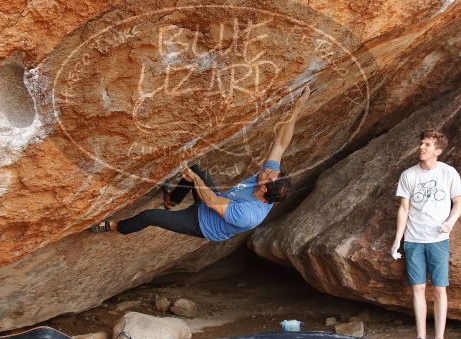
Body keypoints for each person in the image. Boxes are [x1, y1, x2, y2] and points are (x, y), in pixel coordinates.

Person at [90, 85, 311, 241]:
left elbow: (211, 201)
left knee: (150, 217)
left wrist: (196, 181)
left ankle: (115, 226)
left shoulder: (249, 215)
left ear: (264, 189)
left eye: (266, 175)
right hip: (216, 202)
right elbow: (281, 143)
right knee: (194, 170)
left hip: (203, 224)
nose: (265, 170)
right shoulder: (272, 180)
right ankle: (170, 201)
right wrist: (298, 106)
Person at [391, 130, 461, 339]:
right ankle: (421, 337)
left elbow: (458, 202)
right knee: (418, 288)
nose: (422, 148)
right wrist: (398, 239)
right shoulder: (408, 175)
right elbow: (403, 209)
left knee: (440, 289)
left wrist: (450, 222)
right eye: (422, 143)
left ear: (438, 151)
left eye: (428, 145)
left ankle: (439, 338)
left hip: (438, 240)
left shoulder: (448, 173)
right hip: (414, 239)